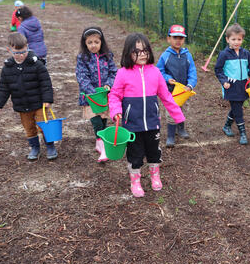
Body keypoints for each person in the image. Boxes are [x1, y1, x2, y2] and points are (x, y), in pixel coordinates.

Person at [109, 33, 185, 198]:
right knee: (135, 154)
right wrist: (115, 111)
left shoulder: (156, 72)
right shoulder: (123, 73)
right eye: (137, 51)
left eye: (145, 50)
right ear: (128, 53)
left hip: (152, 122)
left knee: (154, 152)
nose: (142, 54)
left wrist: (178, 116)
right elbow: (114, 95)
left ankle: (154, 175)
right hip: (132, 124)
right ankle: (135, 180)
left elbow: (166, 96)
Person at [0, 33, 57, 160]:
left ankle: (50, 146)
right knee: (29, 128)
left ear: (27, 47)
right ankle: (35, 147)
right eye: (17, 52)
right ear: (9, 50)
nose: (21, 55)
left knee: (44, 125)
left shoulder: (37, 64)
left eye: (24, 51)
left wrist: (47, 99)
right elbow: (4, 88)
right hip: (22, 105)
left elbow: (46, 83)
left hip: (39, 104)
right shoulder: (7, 69)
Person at [75, 27, 117, 163]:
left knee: (103, 117)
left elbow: (113, 72)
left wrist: (109, 85)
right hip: (90, 96)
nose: (93, 45)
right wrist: (91, 92)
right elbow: (81, 76)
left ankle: (100, 139)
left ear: (101, 42)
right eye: (90, 42)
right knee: (95, 119)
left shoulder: (107, 55)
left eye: (96, 42)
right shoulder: (83, 58)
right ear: (85, 44)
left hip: (104, 95)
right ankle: (100, 141)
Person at [214, 23, 250, 145]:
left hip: (243, 85)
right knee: (238, 109)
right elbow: (218, 69)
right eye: (233, 39)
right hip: (231, 86)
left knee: (237, 106)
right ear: (227, 39)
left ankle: (227, 126)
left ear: (242, 39)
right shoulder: (224, 54)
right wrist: (224, 81)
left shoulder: (246, 53)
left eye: (239, 39)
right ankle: (243, 133)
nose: (236, 42)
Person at [156, 24, 197, 147]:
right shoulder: (165, 56)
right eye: (175, 37)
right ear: (169, 39)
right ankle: (170, 135)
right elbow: (159, 71)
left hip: (184, 90)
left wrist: (190, 85)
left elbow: (192, 71)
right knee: (171, 112)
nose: (178, 40)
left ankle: (181, 129)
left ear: (184, 39)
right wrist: (167, 79)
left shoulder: (187, 55)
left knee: (183, 110)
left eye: (181, 38)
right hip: (170, 91)